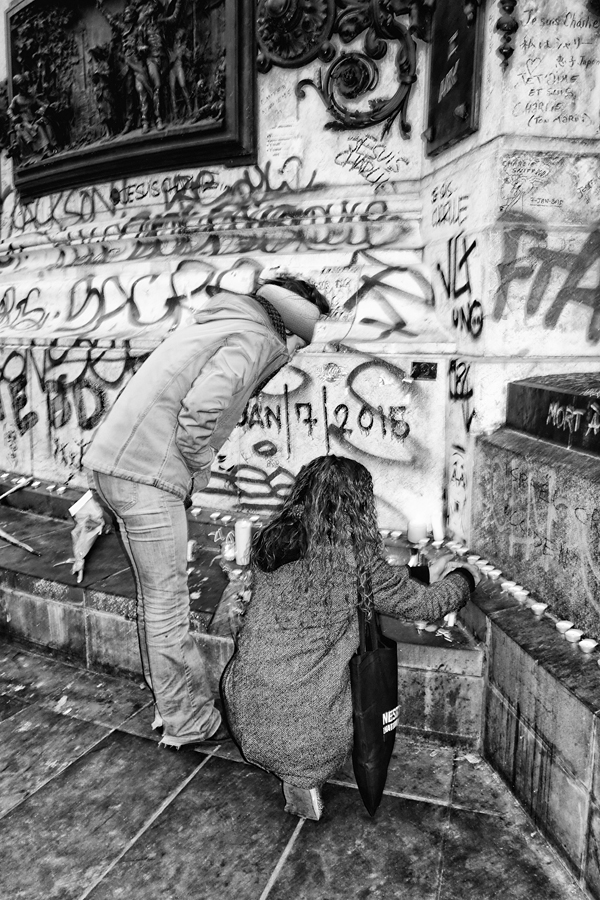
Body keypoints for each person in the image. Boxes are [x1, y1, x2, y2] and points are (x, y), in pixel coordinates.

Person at [83, 276, 329, 748]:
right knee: (166, 605)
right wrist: (195, 467)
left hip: (119, 465)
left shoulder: (225, 322)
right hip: (146, 473)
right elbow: (204, 408)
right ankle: (188, 721)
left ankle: (171, 708)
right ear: (290, 325)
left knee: (157, 600)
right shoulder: (257, 338)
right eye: (300, 342)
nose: (296, 354)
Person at [221, 455, 480, 820]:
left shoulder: (273, 540)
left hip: (245, 705)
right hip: (306, 731)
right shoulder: (353, 559)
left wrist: (419, 572)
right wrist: (465, 578)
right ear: (359, 505)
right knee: (349, 684)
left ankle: (287, 757)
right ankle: (302, 772)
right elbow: (425, 605)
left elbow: (347, 585)